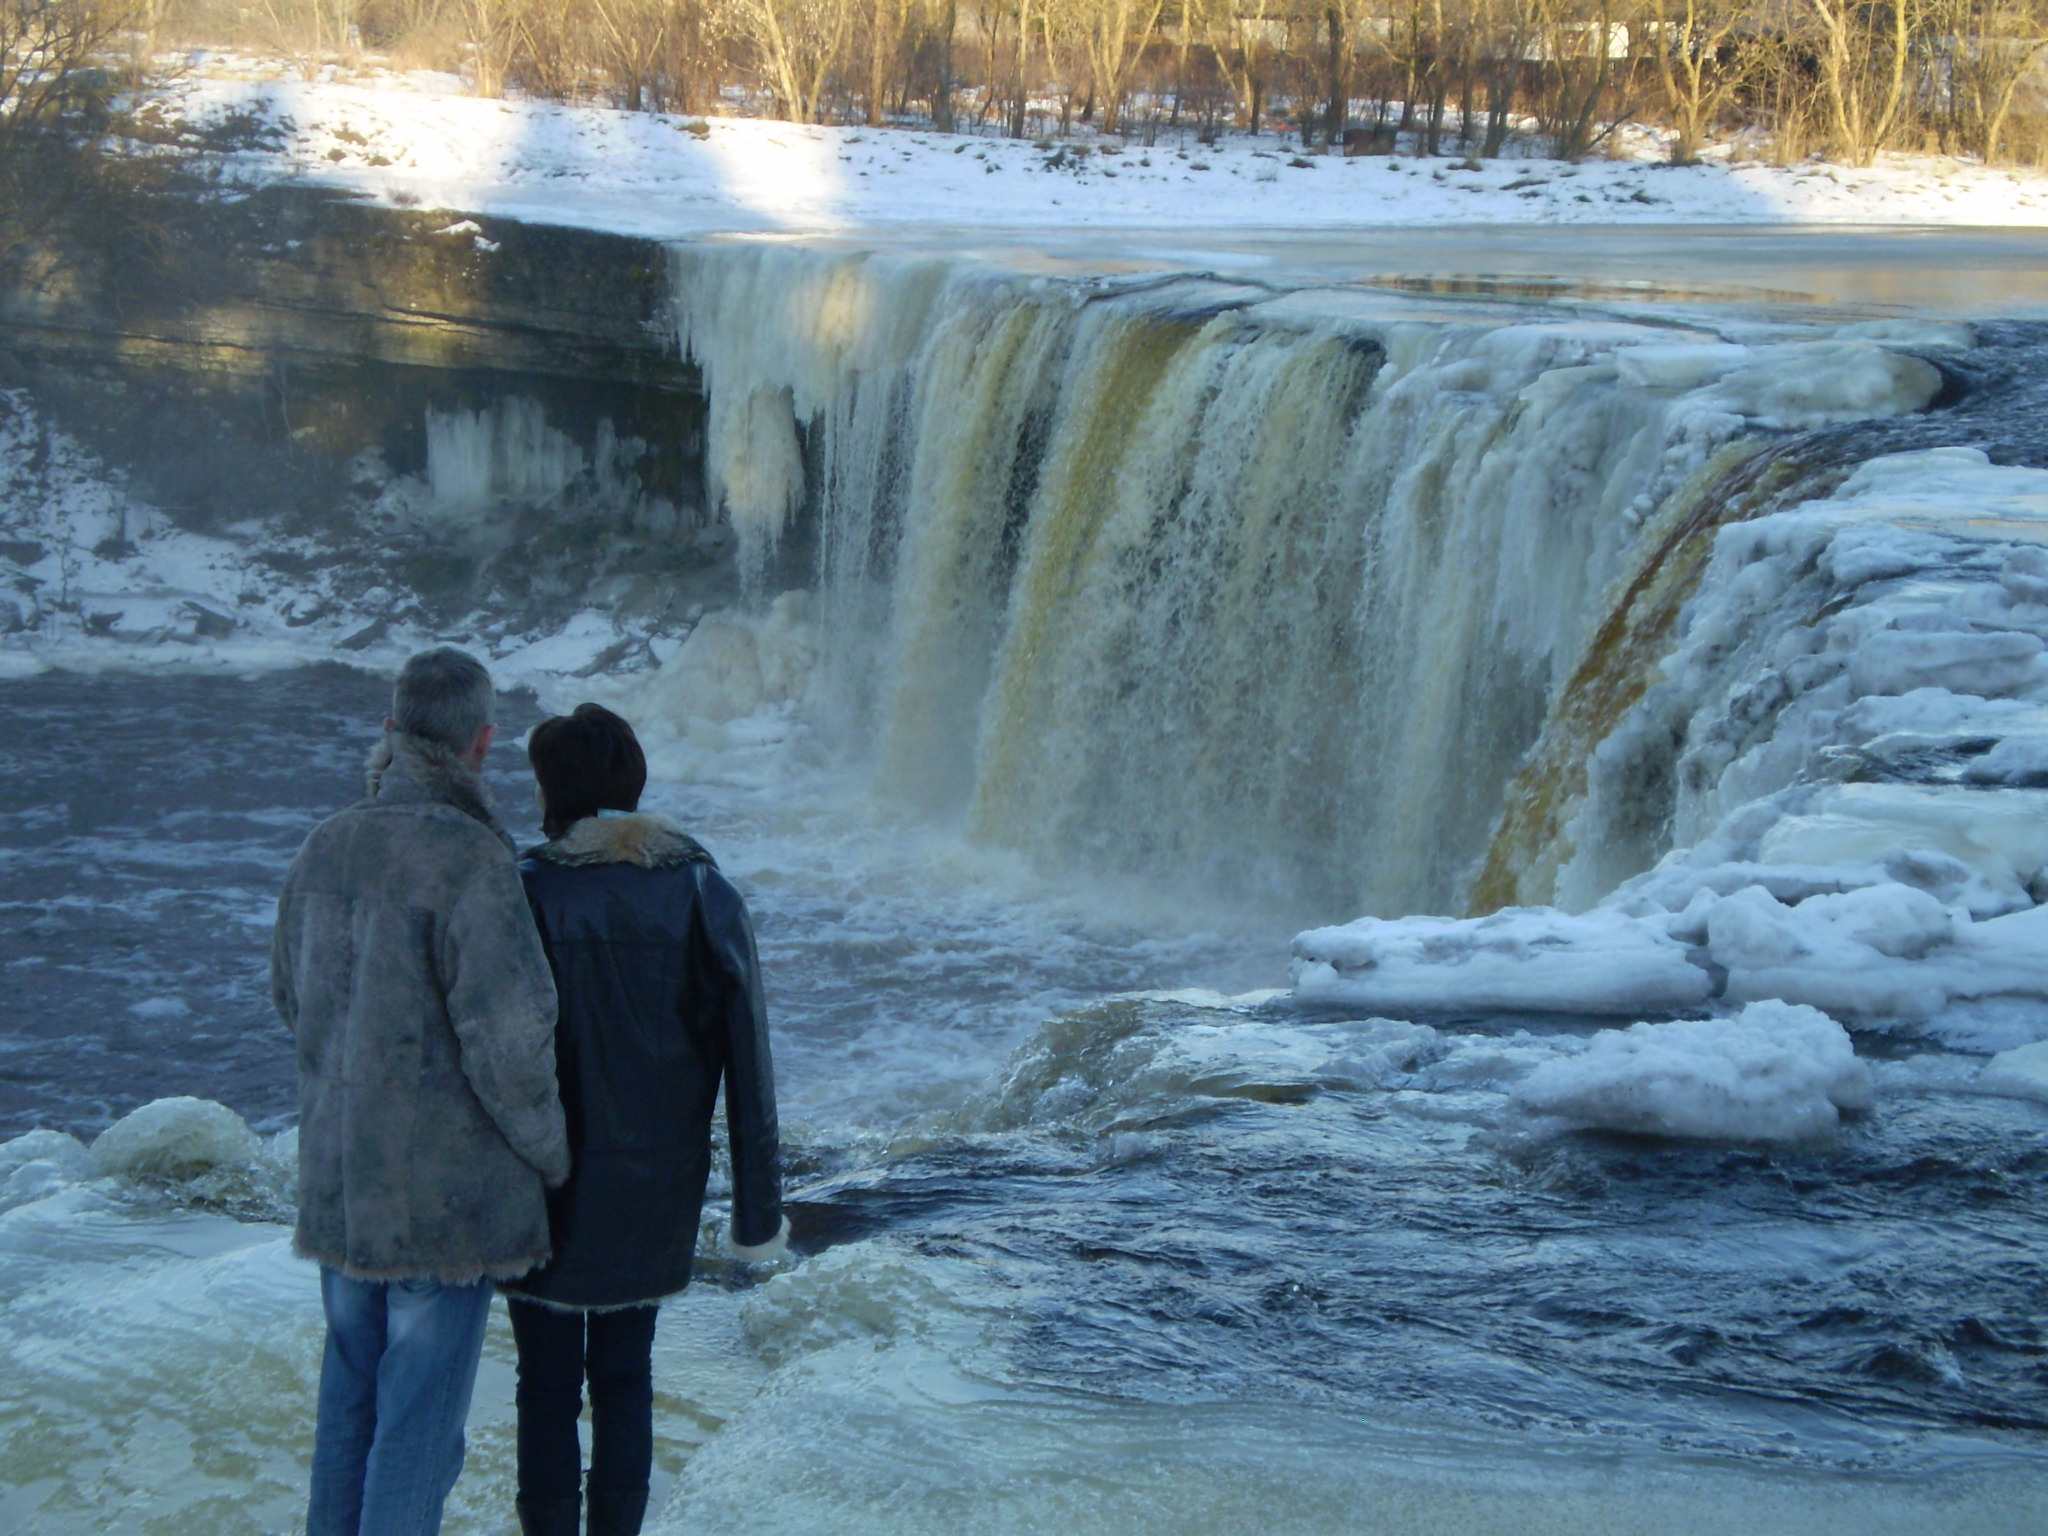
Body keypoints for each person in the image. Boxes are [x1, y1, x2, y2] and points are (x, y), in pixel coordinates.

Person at [272, 646, 570, 1536]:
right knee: (416, 1431)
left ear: (390, 729)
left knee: (348, 1407)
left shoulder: (324, 845)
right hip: (443, 1207)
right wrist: (551, 1155)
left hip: (340, 1184)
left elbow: (289, 997)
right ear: (482, 743)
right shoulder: (472, 859)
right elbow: (509, 1041)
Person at [505, 702, 786, 1536]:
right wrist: (756, 1217)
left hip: (539, 1185)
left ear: (551, 791)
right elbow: (751, 1063)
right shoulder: (700, 891)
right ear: (634, 784)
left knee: (544, 1387)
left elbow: (477, 1049)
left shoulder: (521, 890)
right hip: (653, 1189)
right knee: (626, 1380)